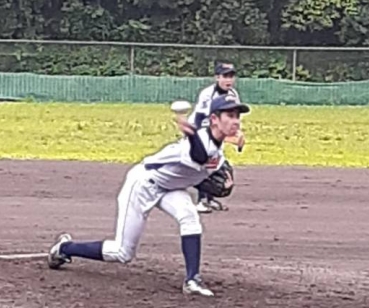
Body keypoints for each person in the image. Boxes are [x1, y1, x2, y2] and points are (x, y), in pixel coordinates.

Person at [47, 95, 250, 297]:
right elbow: (199, 155)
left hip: (170, 188)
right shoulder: (197, 143)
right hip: (143, 184)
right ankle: (65, 248)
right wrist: (191, 135)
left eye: (237, 117)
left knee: (190, 218)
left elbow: (207, 164)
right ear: (214, 119)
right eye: (230, 115)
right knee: (122, 253)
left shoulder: (215, 146)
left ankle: (192, 280)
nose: (236, 121)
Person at [191, 61, 246, 213]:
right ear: (217, 77)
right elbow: (200, 119)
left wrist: (236, 134)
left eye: (231, 76)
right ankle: (201, 201)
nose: (229, 80)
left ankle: (209, 199)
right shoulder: (207, 94)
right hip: (198, 129)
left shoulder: (233, 95)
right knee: (206, 164)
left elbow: (232, 118)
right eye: (225, 76)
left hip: (217, 132)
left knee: (217, 166)